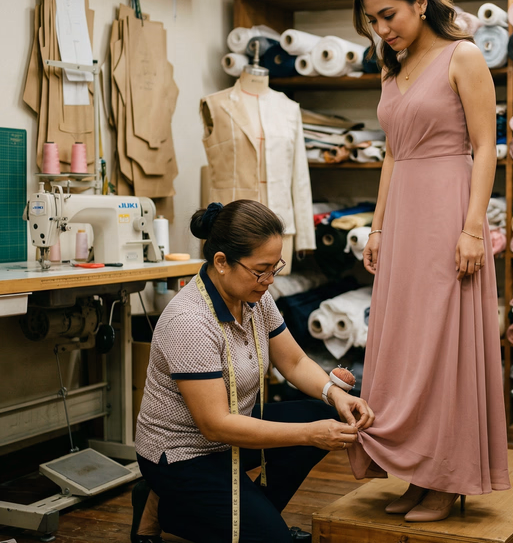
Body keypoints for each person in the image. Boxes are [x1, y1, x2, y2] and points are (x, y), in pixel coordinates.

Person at [347, 0, 510, 522]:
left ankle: (449, 475)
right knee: (406, 342)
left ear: (420, 1)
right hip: (406, 216)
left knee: (445, 342)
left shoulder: (463, 55)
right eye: (373, 21)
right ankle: (418, 472)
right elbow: (392, 155)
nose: (382, 30)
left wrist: (472, 229)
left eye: (388, 15)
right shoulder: (393, 70)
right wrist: (376, 227)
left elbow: (486, 146)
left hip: (447, 205)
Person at [132, 200, 375, 543]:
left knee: (323, 410)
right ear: (221, 263)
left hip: (230, 438)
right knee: (273, 538)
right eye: (261, 270)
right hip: (183, 454)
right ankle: (163, 501)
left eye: (275, 267)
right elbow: (215, 425)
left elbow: (294, 362)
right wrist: (310, 434)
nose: (270, 280)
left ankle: (255, 516)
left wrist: (335, 394)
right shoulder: (189, 322)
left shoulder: (255, 297)